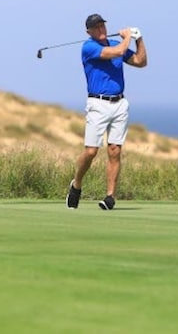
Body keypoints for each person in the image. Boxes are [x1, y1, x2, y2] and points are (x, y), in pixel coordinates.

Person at [66, 13, 148, 210]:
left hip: (119, 103)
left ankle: (110, 196)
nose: (101, 29)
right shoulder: (89, 47)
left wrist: (139, 39)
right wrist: (127, 36)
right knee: (91, 151)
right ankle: (76, 184)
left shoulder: (113, 43)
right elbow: (117, 52)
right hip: (98, 104)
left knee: (114, 150)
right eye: (96, 27)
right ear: (89, 32)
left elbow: (140, 62)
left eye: (102, 26)